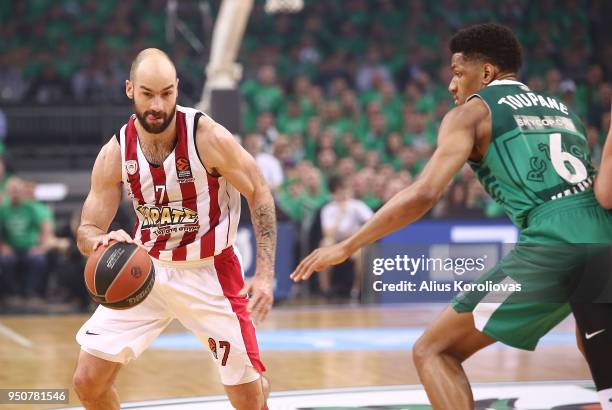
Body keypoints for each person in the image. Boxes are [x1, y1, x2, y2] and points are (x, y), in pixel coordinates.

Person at [292, 24, 612, 409]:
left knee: (433, 350)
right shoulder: (566, 112)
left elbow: (425, 192)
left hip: (551, 251)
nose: (451, 85)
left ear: (487, 73)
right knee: (595, 349)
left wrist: (348, 244)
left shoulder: (472, 113)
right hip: (604, 242)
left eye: (458, 73)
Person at [72, 48, 276, 410]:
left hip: (210, 272)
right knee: (87, 382)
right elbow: (87, 228)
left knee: (248, 402)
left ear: (177, 89)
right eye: (148, 93)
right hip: (144, 270)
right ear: (129, 90)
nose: (158, 104)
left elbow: (259, 192)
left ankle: (257, 384)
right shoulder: (115, 152)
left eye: (166, 93)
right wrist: (99, 241)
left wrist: (265, 273)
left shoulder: (207, 136)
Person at [318, 176, 372, 300]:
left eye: (344, 189)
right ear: (333, 193)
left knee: (361, 252)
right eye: (339, 191)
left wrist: (355, 233)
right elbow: (328, 233)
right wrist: (340, 215)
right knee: (325, 243)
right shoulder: (328, 209)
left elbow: (371, 222)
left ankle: (356, 290)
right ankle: (325, 289)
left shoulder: (357, 205)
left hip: (354, 241)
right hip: (336, 242)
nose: (342, 193)